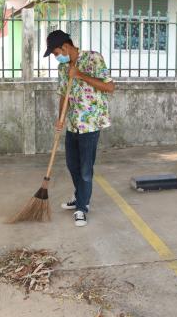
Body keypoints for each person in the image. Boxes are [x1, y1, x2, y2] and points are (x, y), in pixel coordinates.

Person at [43, 30, 115, 227]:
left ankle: (82, 207)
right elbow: (62, 95)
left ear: (65, 46)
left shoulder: (93, 58)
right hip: (73, 124)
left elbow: (109, 87)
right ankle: (81, 197)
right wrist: (60, 119)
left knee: (85, 170)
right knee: (72, 165)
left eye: (56, 52)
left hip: (90, 125)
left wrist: (80, 75)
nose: (57, 57)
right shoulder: (62, 68)